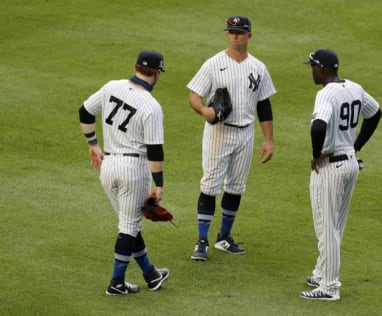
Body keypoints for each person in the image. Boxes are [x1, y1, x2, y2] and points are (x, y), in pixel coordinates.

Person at [78, 50, 170, 295]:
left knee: (130, 223)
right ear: (158, 73)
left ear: (135, 66)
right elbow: (154, 149)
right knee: (129, 226)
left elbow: (85, 111)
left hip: (108, 166)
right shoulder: (151, 106)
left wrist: (93, 145)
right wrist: (158, 185)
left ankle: (151, 274)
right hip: (133, 169)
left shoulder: (112, 86)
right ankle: (116, 283)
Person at [187, 16, 276, 261]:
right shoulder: (213, 64)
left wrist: (269, 139)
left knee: (236, 187)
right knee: (210, 186)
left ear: (249, 36)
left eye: (240, 32)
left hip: (246, 133)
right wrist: (204, 111)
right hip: (219, 132)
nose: (235, 35)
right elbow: (194, 94)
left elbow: (264, 105)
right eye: (231, 32)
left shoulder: (258, 67)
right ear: (227, 34)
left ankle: (224, 237)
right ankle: (201, 241)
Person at [299, 49, 382, 300]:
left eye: (313, 66)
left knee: (327, 227)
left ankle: (329, 287)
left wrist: (315, 153)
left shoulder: (326, 94)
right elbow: (375, 113)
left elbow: (318, 125)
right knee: (336, 225)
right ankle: (323, 272)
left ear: (323, 69)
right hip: (350, 163)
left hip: (330, 167)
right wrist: (355, 147)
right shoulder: (354, 88)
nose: (311, 70)